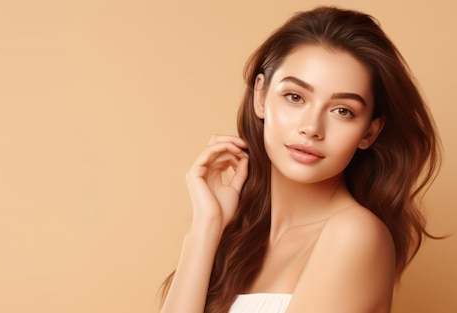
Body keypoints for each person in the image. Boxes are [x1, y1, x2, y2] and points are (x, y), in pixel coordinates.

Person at [159, 6, 441, 313]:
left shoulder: (354, 235)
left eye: (342, 111)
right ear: (261, 97)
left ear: (369, 132)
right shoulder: (238, 236)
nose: (312, 128)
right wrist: (206, 226)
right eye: (295, 97)